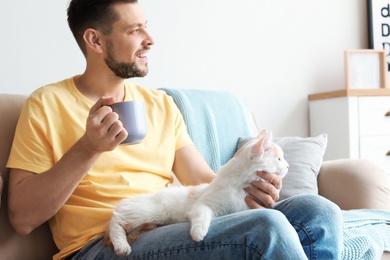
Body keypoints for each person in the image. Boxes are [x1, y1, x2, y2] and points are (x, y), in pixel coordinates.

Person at [6, 0, 343, 259]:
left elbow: (207, 183)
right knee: (264, 229)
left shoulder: (160, 105)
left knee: (318, 211)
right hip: (103, 244)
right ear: (95, 40)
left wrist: (251, 189)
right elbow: (22, 217)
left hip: (172, 226)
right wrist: (88, 148)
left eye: (146, 27)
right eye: (135, 30)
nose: (150, 40)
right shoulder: (47, 104)